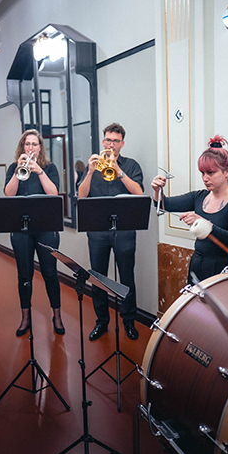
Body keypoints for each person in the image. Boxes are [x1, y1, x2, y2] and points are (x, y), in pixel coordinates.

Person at [78, 122, 144, 341]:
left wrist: (119, 171)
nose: (111, 144)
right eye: (108, 140)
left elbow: (139, 193)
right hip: (97, 231)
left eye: (116, 141)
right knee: (98, 277)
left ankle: (128, 321)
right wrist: (89, 173)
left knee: (127, 278)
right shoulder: (93, 165)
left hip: (124, 231)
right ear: (102, 141)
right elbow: (81, 196)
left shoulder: (131, 165)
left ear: (122, 144)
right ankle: (101, 321)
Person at [151, 135, 228, 283]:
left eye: (210, 173)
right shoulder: (200, 196)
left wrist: (206, 225)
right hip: (197, 263)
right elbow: (166, 205)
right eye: (202, 173)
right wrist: (157, 190)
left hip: (223, 268)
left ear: (227, 171)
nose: (205, 178)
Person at [3, 129, 65, 337]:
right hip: (21, 230)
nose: (30, 148)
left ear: (40, 148)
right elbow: (8, 194)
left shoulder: (50, 168)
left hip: (46, 229)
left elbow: (54, 193)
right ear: (23, 147)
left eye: (34, 144)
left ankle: (56, 316)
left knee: (50, 274)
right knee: (24, 276)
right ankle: (25, 317)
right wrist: (17, 171)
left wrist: (39, 171)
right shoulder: (14, 167)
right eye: (27, 144)